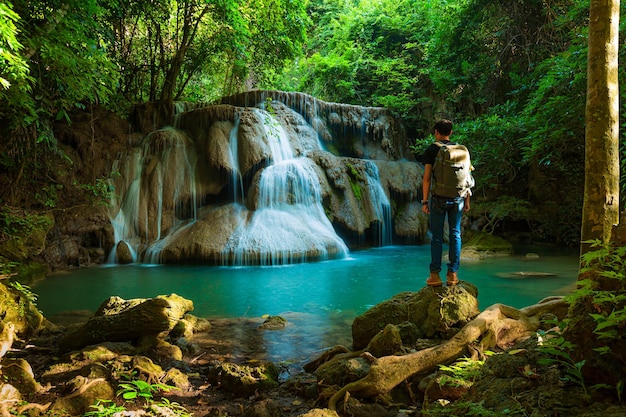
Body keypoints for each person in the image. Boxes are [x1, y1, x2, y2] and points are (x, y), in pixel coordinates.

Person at [421, 119, 471, 287]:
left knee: (436, 237)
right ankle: (453, 274)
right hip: (458, 198)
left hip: (438, 199)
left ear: (436, 132)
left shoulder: (432, 150)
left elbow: (427, 178)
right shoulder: (462, 150)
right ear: (450, 132)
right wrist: (467, 199)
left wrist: (424, 201)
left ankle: (435, 275)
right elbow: (467, 178)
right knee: (455, 234)